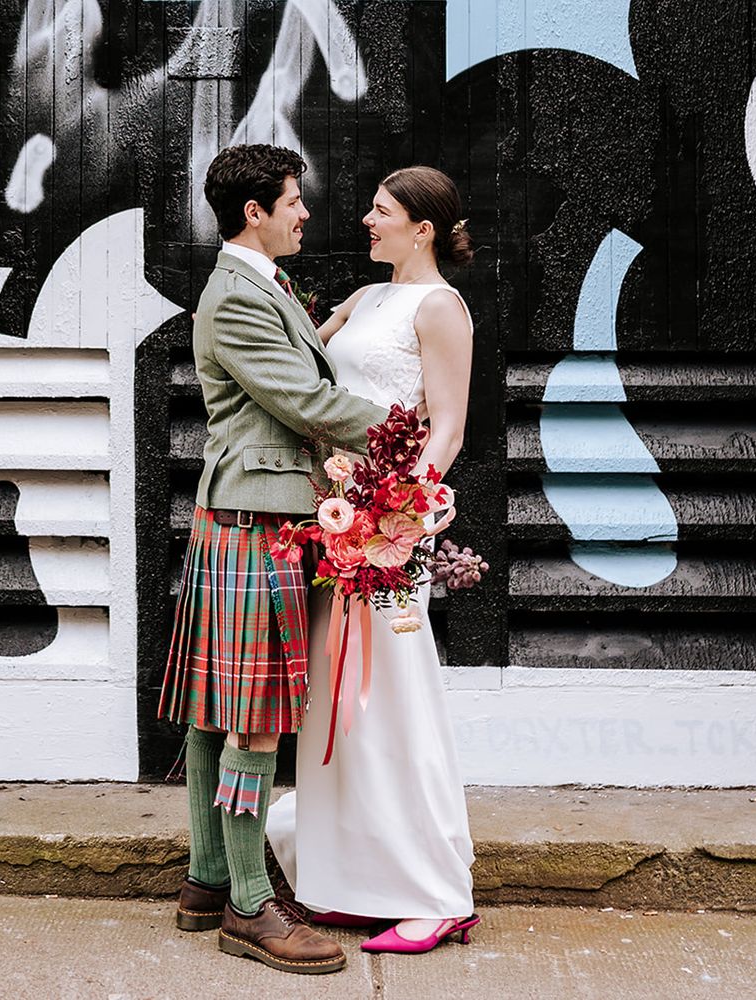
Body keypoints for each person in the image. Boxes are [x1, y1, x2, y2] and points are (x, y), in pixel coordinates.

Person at [158, 143, 388, 975]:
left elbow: (299, 367)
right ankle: (250, 908)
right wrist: (401, 434)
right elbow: (299, 398)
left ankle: (207, 880)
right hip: (257, 517)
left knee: (221, 710)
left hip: (254, 514)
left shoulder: (261, 284)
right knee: (251, 715)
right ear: (253, 211)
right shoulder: (237, 295)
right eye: (294, 201)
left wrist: (336, 323)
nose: (304, 214)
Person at [266, 166, 478, 954]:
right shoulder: (363, 299)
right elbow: (305, 384)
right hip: (333, 525)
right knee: (336, 699)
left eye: (381, 211)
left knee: (394, 697)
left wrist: (398, 520)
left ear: (421, 228)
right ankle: (349, 872)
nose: (365, 219)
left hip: (388, 537)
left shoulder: (441, 307)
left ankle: (432, 891)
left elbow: (448, 427)